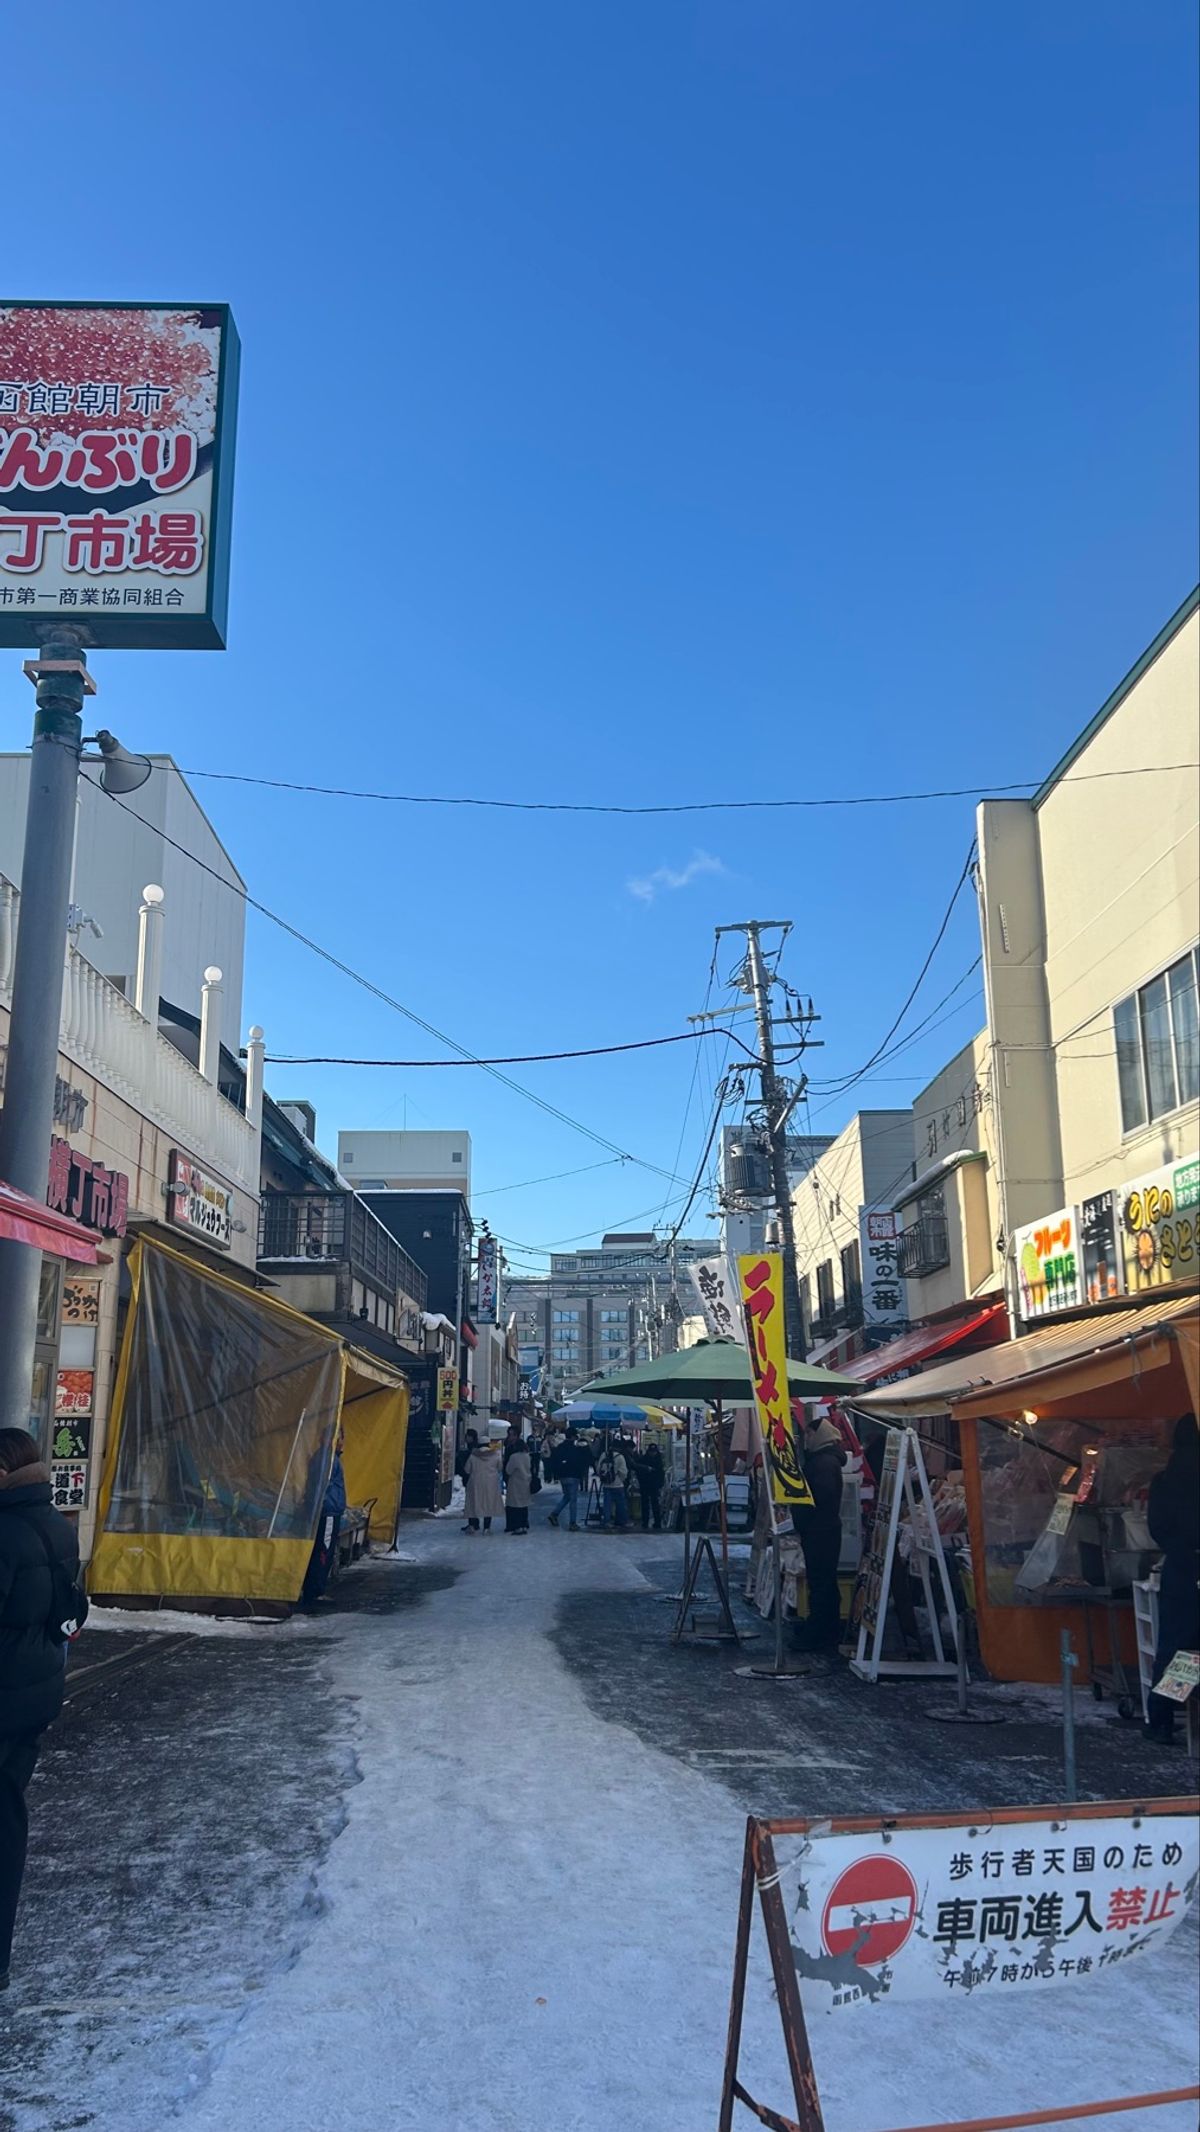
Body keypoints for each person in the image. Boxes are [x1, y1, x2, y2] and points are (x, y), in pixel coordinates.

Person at [1, 1427, 82, 1991]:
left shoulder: (4, 1533)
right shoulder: (56, 1524)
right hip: (37, 1692)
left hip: (5, 1691)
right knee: (7, 1816)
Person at [1145, 1412, 1200, 1745]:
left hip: (1182, 1567)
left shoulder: (1165, 1479)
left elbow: (1157, 1527)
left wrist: (1179, 1549)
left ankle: (1163, 1717)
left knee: (1180, 1648)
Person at [790, 1407, 847, 1651]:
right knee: (825, 1582)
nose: (806, 1440)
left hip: (820, 1531)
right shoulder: (824, 1460)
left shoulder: (823, 1462)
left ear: (818, 1435)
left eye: (809, 1435)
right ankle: (828, 1629)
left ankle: (817, 1633)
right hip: (824, 1530)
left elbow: (821, 1496)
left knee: (821, 1582)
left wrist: (803, 1514)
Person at [301, 1426, 346, 1606]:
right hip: (327, 1511)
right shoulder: (328, 1459)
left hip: (326, 1509)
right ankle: (315, 1591)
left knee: (321, 1547)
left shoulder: (325, 1458)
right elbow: (321, 1486)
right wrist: (322, 1504)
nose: (343, 1442)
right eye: (341, 1437)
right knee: (323, 1549)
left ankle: (313, 1587)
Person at [547, 1426, 591, 1530]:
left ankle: (554, 1514)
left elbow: (554, 1460)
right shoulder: (576, 1448)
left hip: (563, 1476)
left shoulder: (560, 1447)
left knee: (567, 1496)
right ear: (573, 1436)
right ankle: (572, 1523)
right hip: (574, 1476)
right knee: (573, 1500)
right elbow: (583, 1459)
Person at [462, 1437, 503, 1533]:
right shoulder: (496, 1454)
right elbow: (500, 1467)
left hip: (475, 1482)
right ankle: (487, 1527)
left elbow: (467, 1469)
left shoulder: (473, 1455)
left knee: (473, 1503)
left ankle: (472, 1525)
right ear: (488, 1444)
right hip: (491, 1483)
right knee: (488, 1503)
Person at [596, 1439, 629, 1531]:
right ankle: (621, 1521)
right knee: (620, 1504)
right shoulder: (620, 1457)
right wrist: (621, 1480)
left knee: (607, 1504)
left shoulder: (604, 1454)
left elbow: (598, 1468)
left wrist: (603, 1478)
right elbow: (623, 1472)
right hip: (618, 1485)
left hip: (606, 1485)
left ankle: (606, 1521)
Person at [503, 1437, 532, 1535]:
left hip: (515, 1483)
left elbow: (508, 1470)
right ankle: (524, 1525)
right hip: (526, 1482)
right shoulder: (527, 1456)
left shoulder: (514, 1457)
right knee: (524, 1505)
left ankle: (517, 1526)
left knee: (515, 1505)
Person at [637, 1436, 665, 1533]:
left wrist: (660, 1484)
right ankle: (645, 1521)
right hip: (645, 1485)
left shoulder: (658, 1461)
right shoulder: (644, 1459)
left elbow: (661, 1473)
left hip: (654, 1486)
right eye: (651, 1451)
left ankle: (657, 1522)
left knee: (655, 1504)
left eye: (654, 1452)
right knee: (645, 1504)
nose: (653, 1453)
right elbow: (639, 1471)